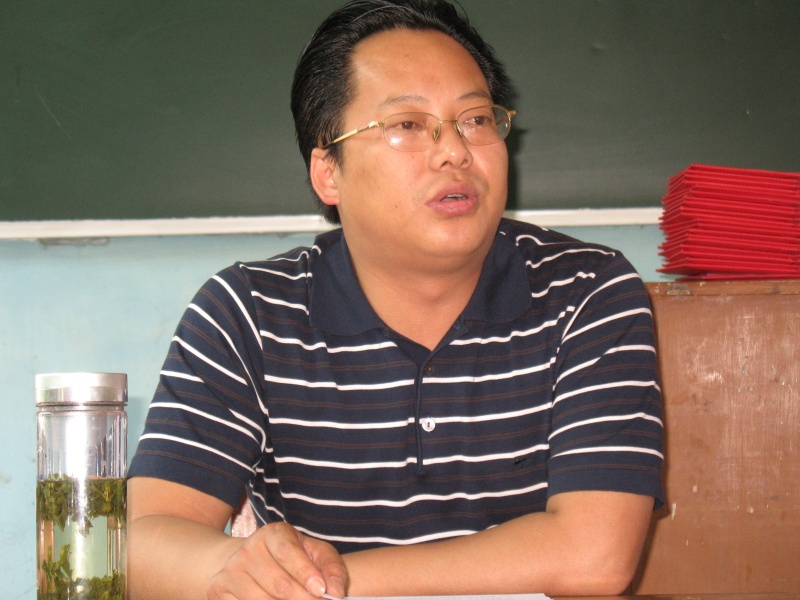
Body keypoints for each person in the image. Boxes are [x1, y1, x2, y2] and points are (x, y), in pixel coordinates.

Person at [127, 0, 664, 598]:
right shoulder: (249, 314)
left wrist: (318, 584)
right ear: (328, 172)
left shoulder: (587, 293)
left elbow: (595, 558)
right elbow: (143, 541)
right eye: (407, 124)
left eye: (476, 119)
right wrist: (232, 572)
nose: (454, 150)